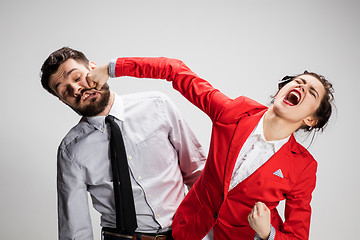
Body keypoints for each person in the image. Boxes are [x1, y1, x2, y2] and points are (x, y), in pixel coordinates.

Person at [86, 57, 334, 240]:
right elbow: (176, 71)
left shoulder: (303, 167)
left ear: (311, 119)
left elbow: (297, 236)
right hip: (187, 231)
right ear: (282, 90)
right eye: (298, 82)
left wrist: (268, 234)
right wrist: (111, 68)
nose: (301, 87)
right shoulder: (234, 112)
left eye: (311, 92)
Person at [40, 48, 206, 240]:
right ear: (62, 100)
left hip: (186, 232)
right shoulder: (70, 150)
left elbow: (197, 172)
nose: (76, 89)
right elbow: (75, 229)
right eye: (65, 91)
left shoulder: (157, 106)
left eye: (77, 78)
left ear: (93, 68)